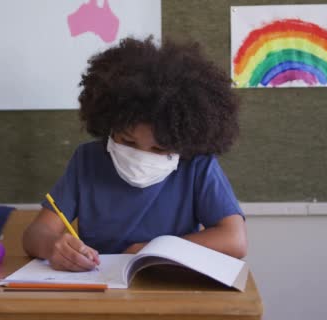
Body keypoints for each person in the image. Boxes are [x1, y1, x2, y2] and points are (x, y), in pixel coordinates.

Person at [22, 36, 246, 272]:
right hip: (102, 289)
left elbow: (235, 240)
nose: (141, 156)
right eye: (127, 142)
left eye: (159, 149)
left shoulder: (197, 165)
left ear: (184, 141)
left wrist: (150, 250)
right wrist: (52, 245)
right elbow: (35, 234)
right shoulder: (87, 160)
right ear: (109, 126)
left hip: (174, 289)